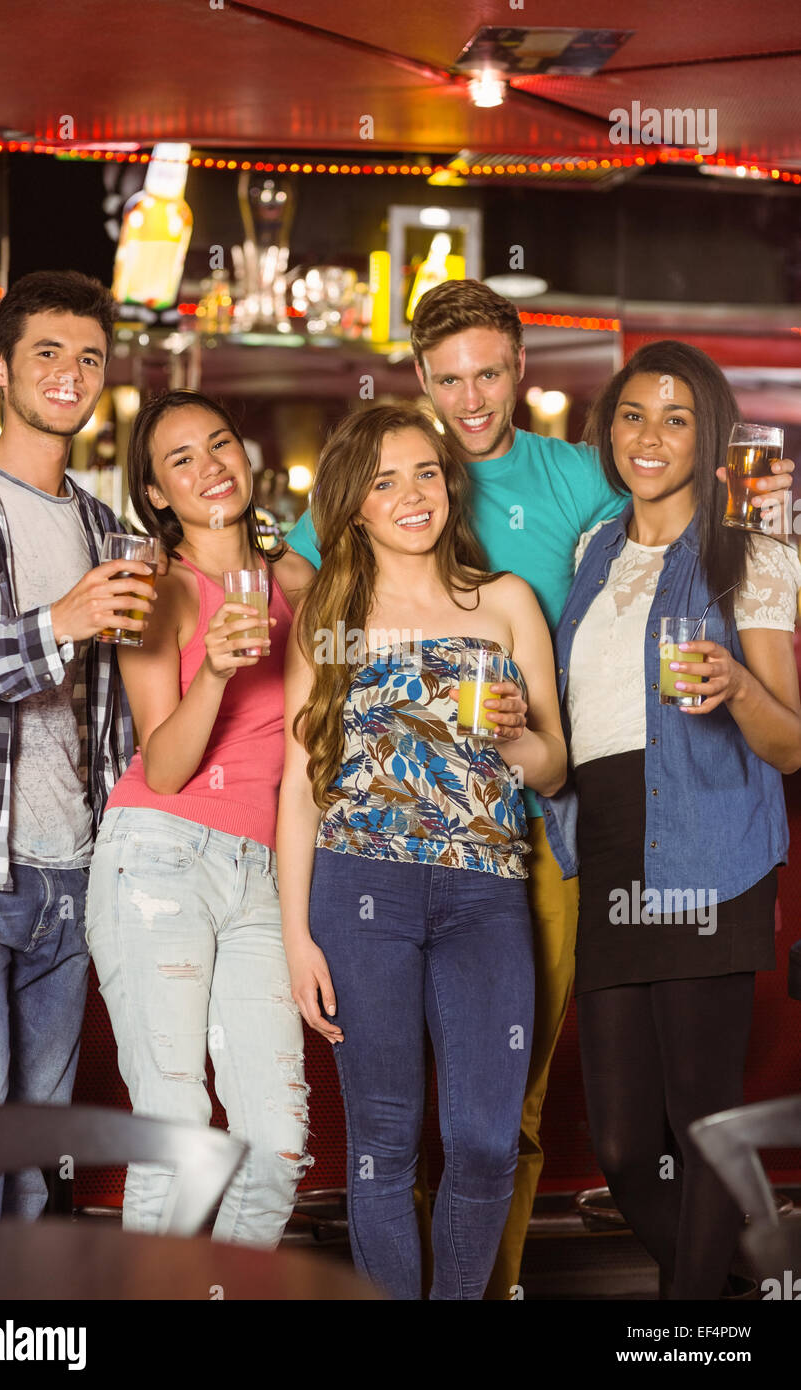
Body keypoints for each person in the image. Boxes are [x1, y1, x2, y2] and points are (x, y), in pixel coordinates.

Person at [283, 279, 796, 1295]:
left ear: (520, 369)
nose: (470, 398)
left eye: (488, 372)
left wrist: (761, 517)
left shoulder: (610, 503)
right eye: (448, 379)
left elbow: (703, 541)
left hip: (581, 830)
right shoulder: (582, 545)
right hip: (561, 839)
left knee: (513, 1116)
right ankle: (719, 1275)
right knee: (569, 1130)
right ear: (421, 382)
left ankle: (570, 1293)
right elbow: (303, 593)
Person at [276, 404, 567, 1298]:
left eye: (426, 473)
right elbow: (297, 787)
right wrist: (296, 940)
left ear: (450, 482)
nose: (412, 495)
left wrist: (519, 737)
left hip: (486, 890)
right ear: (353, 508)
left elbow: (552, 770)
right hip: (361, 889)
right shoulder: (330, 612)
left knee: (484, 1136)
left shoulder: (506, 600)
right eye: (383, 480)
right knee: (385, 1138)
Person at [545, 340, 801, 1298]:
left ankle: (690, 1329)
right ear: (609, 429)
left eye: (677, 418)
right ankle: (747, 1282)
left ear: (711, 435)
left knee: (701, 1122)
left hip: (709, 846)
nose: (650, 437)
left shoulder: (756, 549)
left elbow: (789, 745)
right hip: (611, 845)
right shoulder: (592, 548)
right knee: (620, 1143)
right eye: (632, 416)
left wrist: (734, 684)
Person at [0, 270, 150, 1221]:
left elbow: (121, 720)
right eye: (47, 354)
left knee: (35, 1164)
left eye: (89, 357)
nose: (71, 374)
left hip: (75, 876)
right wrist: (54, 623)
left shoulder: (109, 529)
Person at [85, 389, 316, 1245]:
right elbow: (168, 764)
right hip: (159, 858)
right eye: (180, 459)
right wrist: (215, 671)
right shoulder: (158, 590)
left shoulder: (296, 579)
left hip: (265, 871)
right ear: (156, 494)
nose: (210, 466)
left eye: (219, 444)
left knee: (278, 1144)